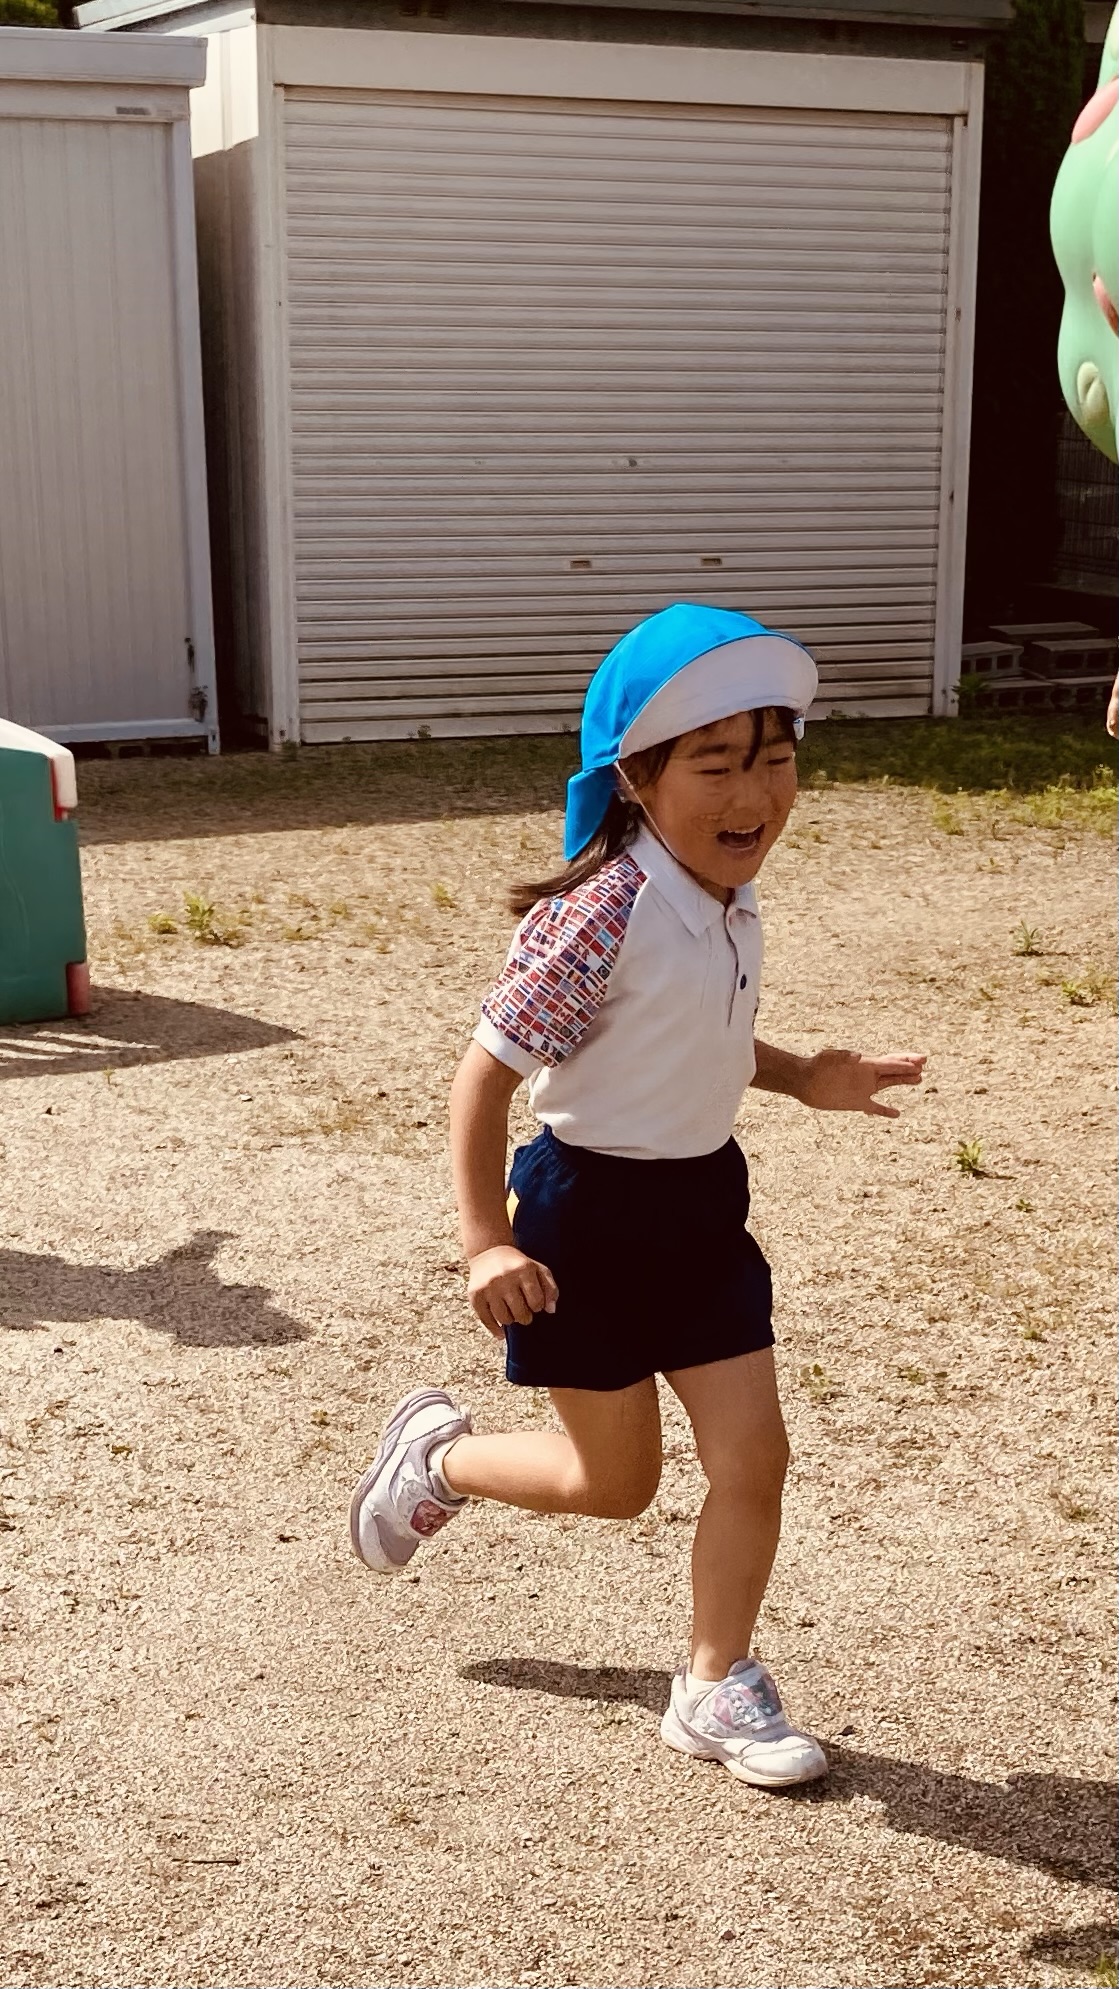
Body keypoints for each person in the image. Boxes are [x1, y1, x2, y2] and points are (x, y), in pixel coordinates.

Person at [350, 603, 925, 1790]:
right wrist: (482, 1244)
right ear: (640, 777)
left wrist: (803, 1074)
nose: (753, 790)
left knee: (753, 1458)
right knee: (616, 1487)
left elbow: (701, 1031)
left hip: (704, 1212)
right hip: (584, 1222)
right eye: (716, 761)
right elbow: (484, 1082)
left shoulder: (726, 893)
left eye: (775, 756)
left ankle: (716, 1686)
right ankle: (439, 1460)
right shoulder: (601, 910)